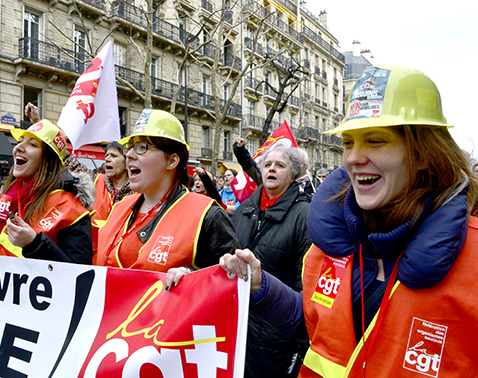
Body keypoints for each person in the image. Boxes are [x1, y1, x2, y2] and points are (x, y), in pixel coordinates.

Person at [220, 65, 478, 377]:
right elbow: (314, 325)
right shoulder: (328, 246)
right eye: (348, 143)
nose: (354, 157)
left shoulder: (472, 258)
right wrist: (262, 287)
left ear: (423, 154)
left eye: (375, 141)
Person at [95, 109, 238, 274]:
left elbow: (232, 286)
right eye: (131, 147)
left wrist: (192, 279)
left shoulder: (207, 216)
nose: (130, 155)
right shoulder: (119, 208)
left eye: (142, 147)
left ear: (172, 161)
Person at [0, 120, 94, 263]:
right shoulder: (7, 199)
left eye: (32, 144)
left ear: (49, 160)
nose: (18, 147)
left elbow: (79, 273)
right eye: (19, 142)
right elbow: (2, 254)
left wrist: (34, 244)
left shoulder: (68, 207)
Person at [232, 145, 312, 378]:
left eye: (280, 165)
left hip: (277, 338)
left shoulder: (304, 214)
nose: (272, 169)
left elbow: (304, 287)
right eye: (267, 165)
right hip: (237, 329)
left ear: (294, 174)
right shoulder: (245, 209)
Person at [91, 141, 133, 250]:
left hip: (119, 257)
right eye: (106, 156)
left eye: (114, 156)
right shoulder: (96, 181)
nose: (107, 159)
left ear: (127, 163)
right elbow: (73, 166)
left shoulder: (139, 192)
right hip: (93, 256)